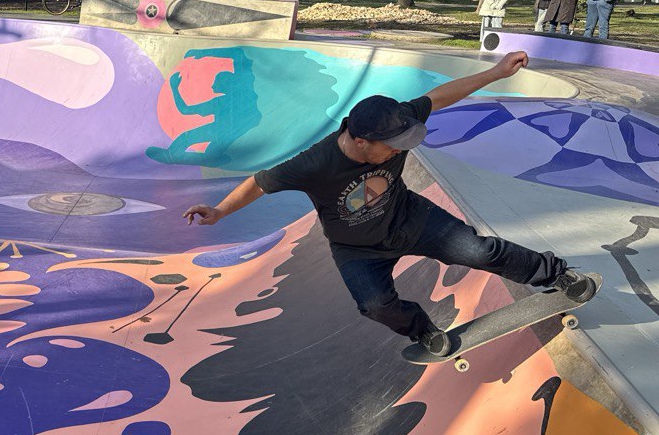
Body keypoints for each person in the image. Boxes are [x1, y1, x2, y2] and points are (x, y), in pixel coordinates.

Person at [182, 51, 596, 358]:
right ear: (361, 141)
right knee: (375, 305)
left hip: (410, 218)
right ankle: (423, 330)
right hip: (357, 249)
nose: (400, 151)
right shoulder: (314, 163)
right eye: (392, 147)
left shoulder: (395, 121)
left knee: (480, 250)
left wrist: (496, 72)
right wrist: (219, 211)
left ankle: (556, 275)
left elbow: (439, 96)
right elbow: (259, 183)